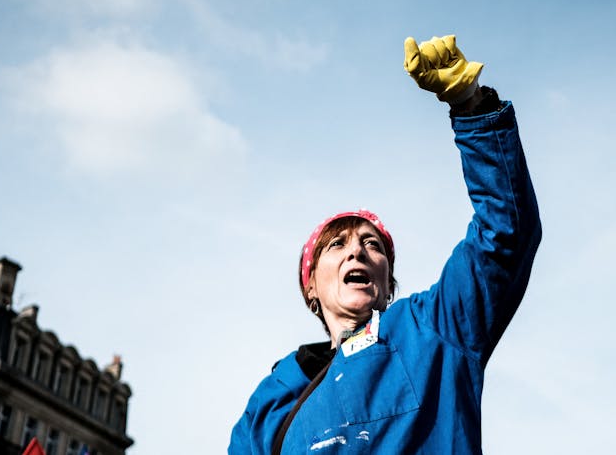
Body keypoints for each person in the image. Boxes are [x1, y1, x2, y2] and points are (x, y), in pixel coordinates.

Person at [228, 34, 542, 454]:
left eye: (372, 244)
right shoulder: (271, 402)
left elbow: (504, 235)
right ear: (311, 287)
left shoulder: (431, 330)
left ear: (387, 281)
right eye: (336, 246)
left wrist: (471, 105)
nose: (356, 251)